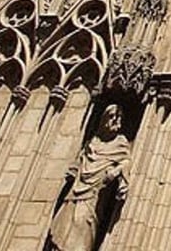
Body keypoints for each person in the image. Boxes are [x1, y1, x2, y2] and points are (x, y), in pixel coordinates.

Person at [47, 103, 131, 251]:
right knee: (64, 226)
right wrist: (74, 170)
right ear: (104, 119)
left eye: (118, 117)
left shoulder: (120, 143)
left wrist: (116, 171)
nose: (115, 120)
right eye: (111, 116)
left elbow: (126, 162)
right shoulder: (93, 142)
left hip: (94, 196)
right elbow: (80, 161)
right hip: (74, 193)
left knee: (83, 226)